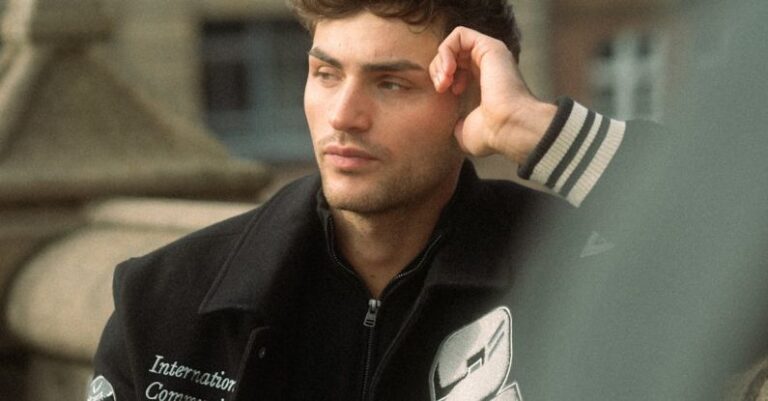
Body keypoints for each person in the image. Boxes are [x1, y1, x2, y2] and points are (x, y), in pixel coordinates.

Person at [89, 1, 650, 400]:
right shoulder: (164, 299)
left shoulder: (572, 269)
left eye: (391, 84)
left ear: (471, 99)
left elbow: (732, 251)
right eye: (326, 74)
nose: (343, 116)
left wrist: (529, 125)